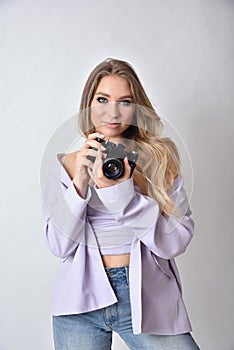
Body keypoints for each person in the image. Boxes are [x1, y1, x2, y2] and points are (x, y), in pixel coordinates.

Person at [42, 58, 200, 349]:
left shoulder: (159, 158)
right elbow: (59, 246)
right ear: (88, 104)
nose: (112, 112)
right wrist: (79, 184)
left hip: (146, 298)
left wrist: (122, 193)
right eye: (102, 99)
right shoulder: (65, 166)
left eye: (125, 101)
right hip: (79, 304)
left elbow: (175, 242)